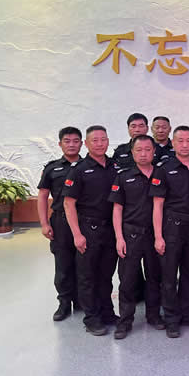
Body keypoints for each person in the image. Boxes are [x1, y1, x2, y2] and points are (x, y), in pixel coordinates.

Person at [150, 125, 189, 338]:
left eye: (188, 141)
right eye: (180, 141)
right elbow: (157, 205)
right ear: (173, 143)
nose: (185, 145)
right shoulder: (164, 169)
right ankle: (171, 318)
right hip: (172, 227)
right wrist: (158, 236)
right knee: (168, 275)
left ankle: (187, 312)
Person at [63, 125, 119, 336]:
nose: (100, 143)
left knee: (106, 275)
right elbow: (68, 204)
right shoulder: (78, 169)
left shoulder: (115, 166)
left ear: (108, 141)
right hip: (88, 229)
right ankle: (92, 318)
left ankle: (107, 313)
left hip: (110, 229)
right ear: (86, 144)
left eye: (103, 139)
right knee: (87, 276)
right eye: (95, 140)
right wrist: (77, 234)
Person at [109, 135, 164, 339]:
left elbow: (162, 205)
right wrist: (119, 238)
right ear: (132, 153)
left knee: (154, 277)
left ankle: (153, 316)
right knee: (128, 279)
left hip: (154, 234)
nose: (143, 154)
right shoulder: (123, 176)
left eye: (147, 150)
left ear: (154, 152)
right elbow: (117, 209)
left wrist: (159, 237)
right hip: (130, 234)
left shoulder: (161, 174)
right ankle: (125, 321)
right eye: (139, 150)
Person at [37, 126, 82, 321]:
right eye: (67, 141)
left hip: (84, 220)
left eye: (75, 141)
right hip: (61, 221)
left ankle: (81, 301)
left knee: (84, 263)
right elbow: (42, 196)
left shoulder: (88, 166)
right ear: (60, 144)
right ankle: (64, 302)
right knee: (63, 264)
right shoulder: (52, 168)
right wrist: (44, 223)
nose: (71, 145)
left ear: (82, 143)